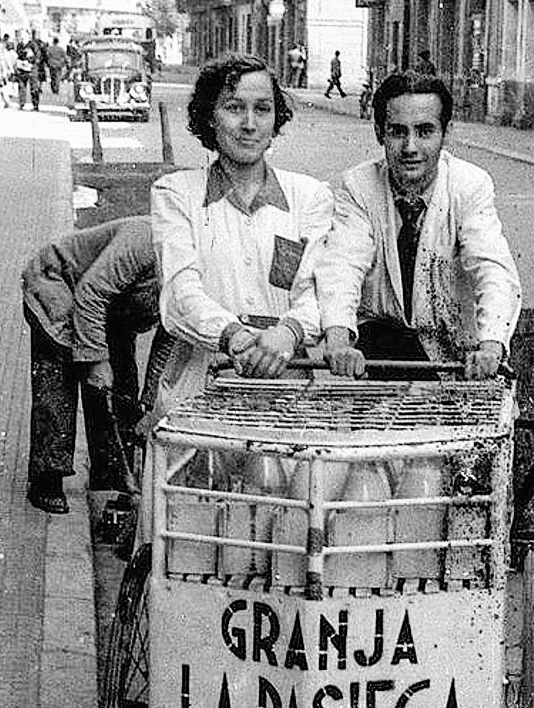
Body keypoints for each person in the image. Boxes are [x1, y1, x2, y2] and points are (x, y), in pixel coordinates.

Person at [146, 53, 333, 426]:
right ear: (209, 117)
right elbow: (181, 293)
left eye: (262, 109)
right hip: (199, 389)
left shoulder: (310, 196)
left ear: (275, 118)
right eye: (234, 108)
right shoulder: (176, 193)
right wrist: (233, 335)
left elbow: (320, 291)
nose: (250, 124)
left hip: (288, 387)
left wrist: (289, 331)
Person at [316, 69, 521, 379]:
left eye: (425, 131)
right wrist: (338, 340)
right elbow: (342, 264)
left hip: (455, 351)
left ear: (446, 133)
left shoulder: (469, 185)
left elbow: (492, 267)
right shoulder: (358, 185)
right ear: (378, 132)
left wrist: (491, 346)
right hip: (383, 349)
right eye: (398, 131)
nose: (410, 147)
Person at [22, 218, 161, 513]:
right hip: (58, 282)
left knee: (122, 384)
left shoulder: (194, 278)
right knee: (59, 377)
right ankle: (47, 477)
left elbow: (169, 341)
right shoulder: (145, 240)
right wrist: (97, 360)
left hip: (109, 306)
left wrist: (151, 401)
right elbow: (90, 294)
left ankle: (111, 474)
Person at [14, 32, 43, 111]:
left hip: (32, 69)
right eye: (21, 38)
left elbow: (38, 57)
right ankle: (21, 104)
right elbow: (17, 55)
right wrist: (19, 62)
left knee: (34, 88)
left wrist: (30, 61)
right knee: (21, 86)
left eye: (23, 38)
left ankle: (35, 105)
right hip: (22, 69)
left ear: (28, 37)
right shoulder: (19, 45)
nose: (22, 39)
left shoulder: (33, 45)